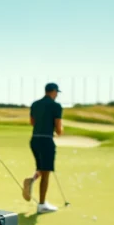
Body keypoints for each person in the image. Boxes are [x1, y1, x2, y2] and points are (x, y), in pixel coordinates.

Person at [23, 82, 64, 213]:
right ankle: (42, 204)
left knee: (41, 168)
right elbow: (58, 129)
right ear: (53, 91)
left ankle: (31, 180)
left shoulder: (35, 104)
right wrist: (59, 130)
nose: (57, 95)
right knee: (46, 173)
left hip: (34, 140)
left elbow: (32, 122)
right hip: (46, 141)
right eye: (57, 92)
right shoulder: (56, 106)